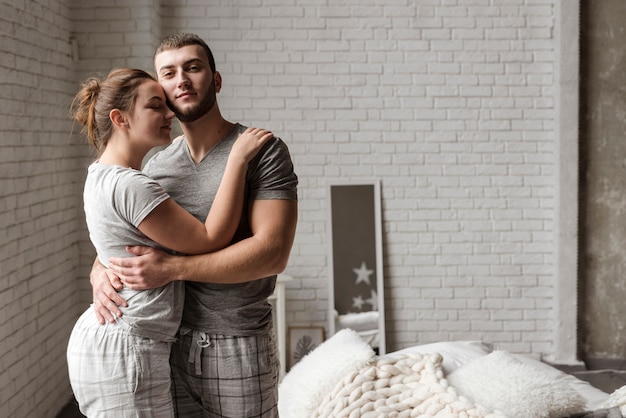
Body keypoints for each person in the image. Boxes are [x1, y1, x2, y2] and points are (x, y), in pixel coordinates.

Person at [90, 34, 298, 417]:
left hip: (237, 344)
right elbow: (127, 230)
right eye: (169, 73)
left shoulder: (261, 149)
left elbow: (272, 253)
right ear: (162, 90)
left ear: (215, 81)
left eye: (193, 67)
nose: (181, 79)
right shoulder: (156, 165)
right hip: (166, 345)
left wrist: (173, 269)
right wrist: (100, 270)